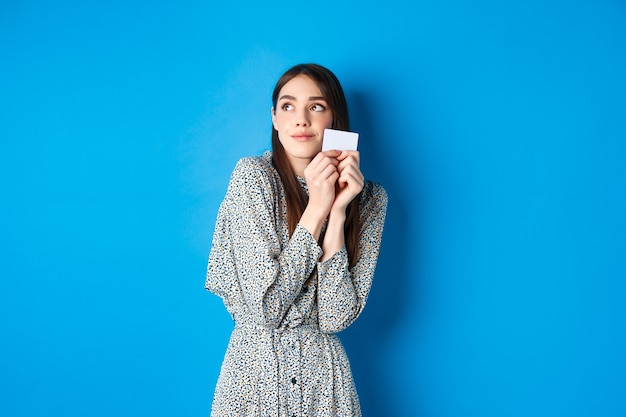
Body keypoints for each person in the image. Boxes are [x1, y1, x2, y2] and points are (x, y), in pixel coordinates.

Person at [205, 63, 388, 416]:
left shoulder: (370, 200)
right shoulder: (252, 179)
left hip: (325, 385)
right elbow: (266, 309)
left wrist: (336, 214)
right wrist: (316, 207)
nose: (300, 119)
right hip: (253, 380)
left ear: (336, 118)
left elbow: (334, 319)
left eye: (316, 106)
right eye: (288, 106)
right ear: (274, 118)